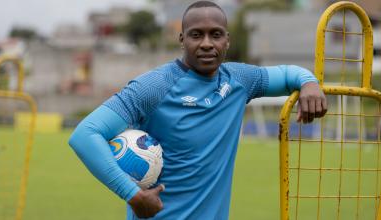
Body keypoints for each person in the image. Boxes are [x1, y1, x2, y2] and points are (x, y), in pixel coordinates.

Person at [68, 1, 327, 219]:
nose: (206, 43)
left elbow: (287, 73)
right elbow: (85, 135)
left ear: (227, 40)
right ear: (182, 39)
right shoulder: (154, 87)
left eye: (215, 34)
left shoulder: (240, 80)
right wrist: (132, 194)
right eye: (196, 34)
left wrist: (309, 83)